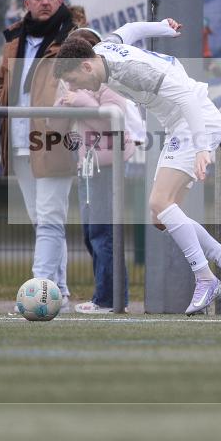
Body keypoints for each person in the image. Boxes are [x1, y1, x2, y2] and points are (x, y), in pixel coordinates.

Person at [54, 21, 221, 316]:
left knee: (159, 202)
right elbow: (129, 30)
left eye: (72, 80)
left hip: (194, 122)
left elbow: (187, 99)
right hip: (179, 126)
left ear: (86, 67)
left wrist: (202, 147)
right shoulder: (98, 51)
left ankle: (206, 278)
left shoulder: (131, 71)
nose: (72, 88)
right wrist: (161, 27)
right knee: (160, 216)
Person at [0, 0, 77, 310]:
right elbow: (3, 82)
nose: (45, 1)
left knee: (49, 219)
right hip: (19, 140)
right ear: (26, 3)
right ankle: (61, 292)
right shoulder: (15, 39)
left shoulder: (73, 37)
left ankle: (36, 294)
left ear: (60, 1)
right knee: (42, 219)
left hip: (54, 138)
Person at [56, 28, 136, 314]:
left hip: (109, 167)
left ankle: (110, 299)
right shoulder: (71, 86)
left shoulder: (108, 84)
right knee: (91, 234)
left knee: (105, 234)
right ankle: (106, 295)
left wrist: (80, 101)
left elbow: (113, 124)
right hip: (86, 168)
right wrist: (65, 104)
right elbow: (56, 123)